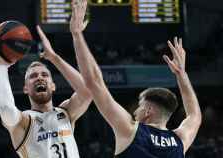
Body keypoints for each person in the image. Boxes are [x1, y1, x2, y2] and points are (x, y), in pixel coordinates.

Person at [69, 0, 202, 157]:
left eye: (139, 106)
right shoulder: (180, 140)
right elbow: (195, 116)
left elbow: (94, 82)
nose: (135, 111)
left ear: (148, 110)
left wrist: (77, 35)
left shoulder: (130, 130)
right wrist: (182, 74)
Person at [0, 26, 92, 158]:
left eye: (45, 74)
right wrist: (2, 67)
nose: (39, 77)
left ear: (53, 86)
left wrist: (55, 58)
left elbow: (87, 91)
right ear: (25, 88)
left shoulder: (66, 112)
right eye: (33, 76)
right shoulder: (24, 121)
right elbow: (6, 109)